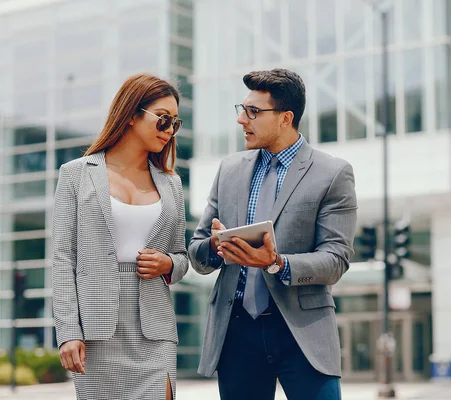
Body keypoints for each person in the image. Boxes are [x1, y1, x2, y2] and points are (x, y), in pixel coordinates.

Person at [188, 68, 357, 400]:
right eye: (242, 110)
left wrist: (278, 263)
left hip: (301, 331)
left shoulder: (332, 173)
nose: (242, 120)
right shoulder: (230, 170)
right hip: (236, 330)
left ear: (286, 118)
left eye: (253, 112)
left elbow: (335, 259)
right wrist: (214, 245)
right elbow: (196, 251)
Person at [52, 73, 189, 400]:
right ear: (130, 114)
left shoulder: (172, 184)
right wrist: (68, 332)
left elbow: (182, 258)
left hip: (155, 330)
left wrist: (168, 263)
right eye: (163, 119)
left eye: (176, 123)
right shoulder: (75, 174)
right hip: (97, 333)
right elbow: (62, 259)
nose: (169, 130)